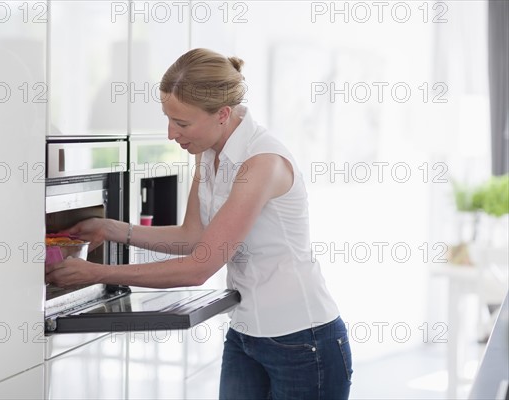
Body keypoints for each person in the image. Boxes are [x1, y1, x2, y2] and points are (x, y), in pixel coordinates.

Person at [46, 48, 353, 400]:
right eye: (168, 118)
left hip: (303, 341)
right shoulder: (208, 154)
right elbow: (192, 237)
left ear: (222, 114)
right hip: (245, 333)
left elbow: (199, 266)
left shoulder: (261, 163)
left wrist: (96, 273)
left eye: (182, 123)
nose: (171, 134)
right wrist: (112, 229)